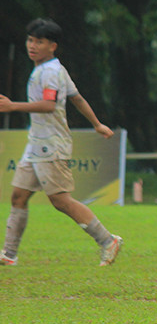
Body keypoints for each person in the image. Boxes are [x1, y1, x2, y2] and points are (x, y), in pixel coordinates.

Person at [0, 18, 123, 267]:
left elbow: (48, 105)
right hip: (35, 144)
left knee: (61, 201)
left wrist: (12, 106)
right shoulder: (52, 68)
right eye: (30, 40)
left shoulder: (50, 72)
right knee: (18, 196)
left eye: (39, 42)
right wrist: (97, 124)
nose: (32, 46)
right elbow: (77, 99)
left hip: (51, 145)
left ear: (52, 46)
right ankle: (9, 255)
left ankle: (108, 240)